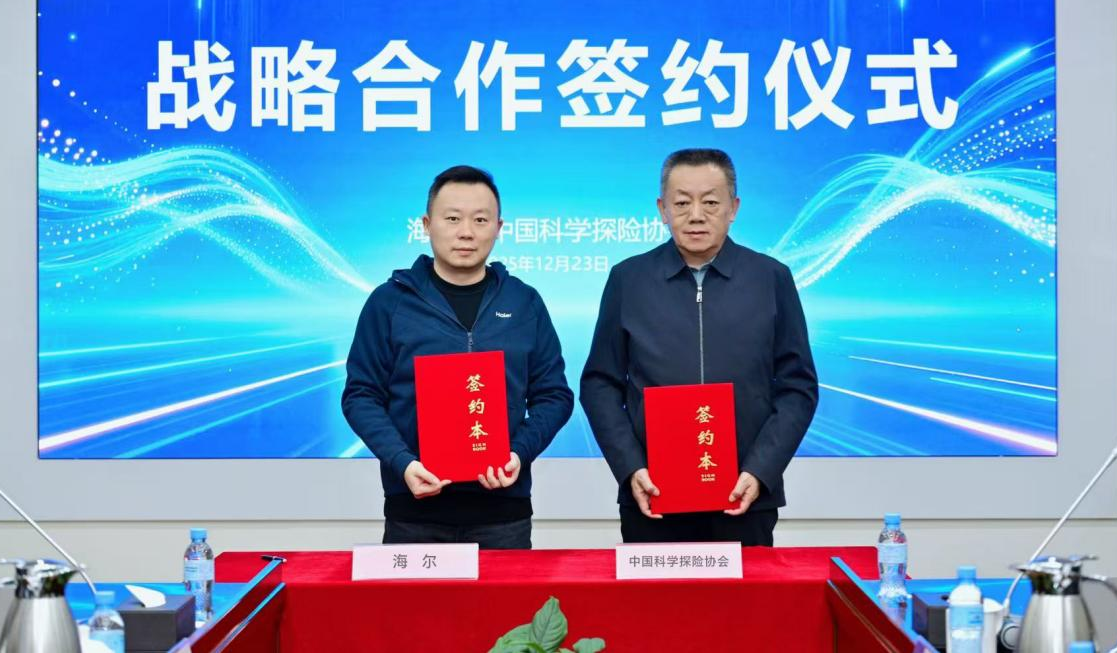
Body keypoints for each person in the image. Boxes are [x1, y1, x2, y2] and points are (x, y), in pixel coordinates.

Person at [580, 148, 818, 546]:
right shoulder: (628, 279)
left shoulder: (770, 278)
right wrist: (631, 467)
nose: (695, 215)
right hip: (653, 496)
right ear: (662, 209)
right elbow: (599, 383)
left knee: (746, 591)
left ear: (733, 208)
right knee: (658, 591)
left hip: (744, 496)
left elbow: (798, 387)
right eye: (681, 203)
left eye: (710, 202)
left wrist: (761, 470)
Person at [342, 165, 574, 549]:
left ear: (498, 228)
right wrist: (402, 461)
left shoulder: (524, 302)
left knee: (509, 594)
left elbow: (554, 395)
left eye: (480, 220)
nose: (466, 232)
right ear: (426, 224)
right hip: (414, 511)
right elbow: (360, 395)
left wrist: (519, 453)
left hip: (504, 513)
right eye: (452, 219)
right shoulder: (389, 303)